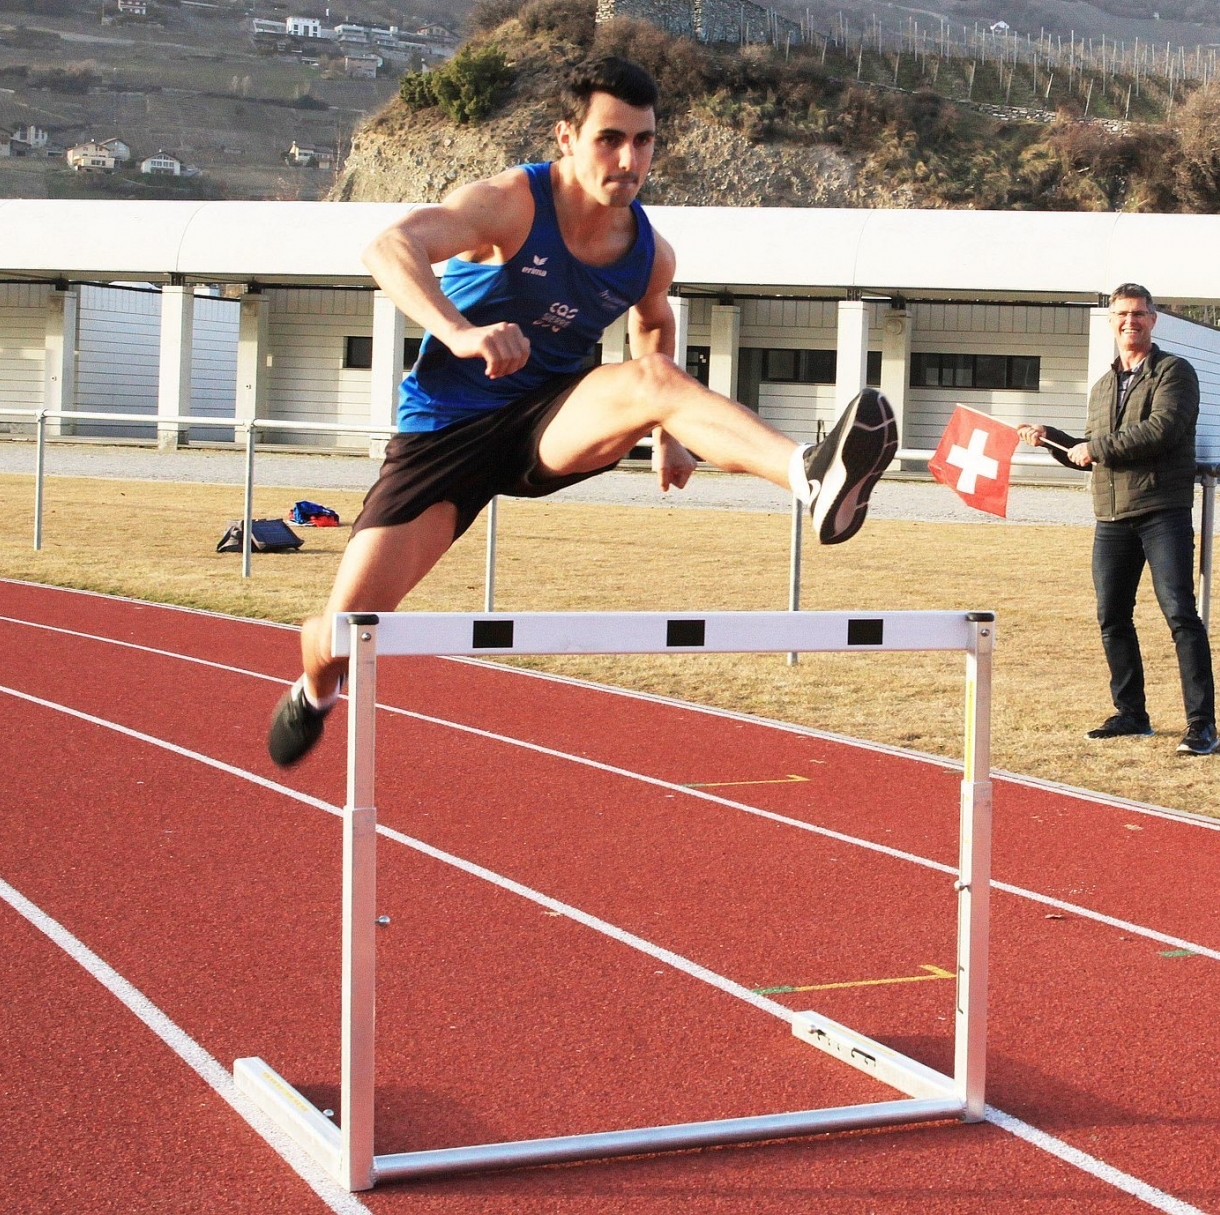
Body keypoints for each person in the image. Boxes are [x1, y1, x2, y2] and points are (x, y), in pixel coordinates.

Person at [266, 55, 898, 767]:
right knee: (346, 632)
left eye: (645, 141)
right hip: (445, 434)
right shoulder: (509, 203)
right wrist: (461, 332)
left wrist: (670, 432)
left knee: (653, 378)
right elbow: (389, 246)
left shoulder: (648, 252)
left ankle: (810, 475)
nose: (629, 160)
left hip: (551, 419)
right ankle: (317, 691)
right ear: (566, 137)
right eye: (610, 139)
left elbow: (654, 328)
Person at [1018, 283, 1219, 755]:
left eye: (1139, 314)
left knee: (1180, 616)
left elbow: (1162, 430)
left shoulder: (1175, 371)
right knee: (1112, 616)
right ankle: (1131, 713)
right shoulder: (1104, 385)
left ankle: (1201, 724)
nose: (1130, 321)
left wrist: (1096, 447)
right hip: (1110, 517)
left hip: (1162, 512)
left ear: (1153, 320)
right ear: (1111, 322)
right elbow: (1087, 454)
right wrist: (1052, 439)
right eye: (1122, 315)